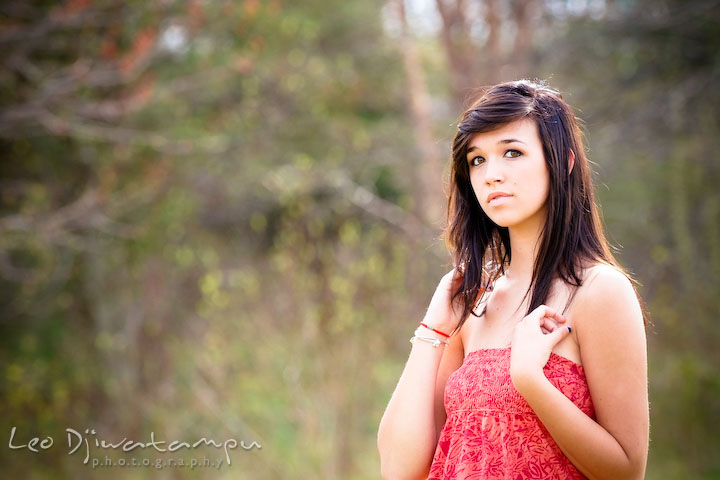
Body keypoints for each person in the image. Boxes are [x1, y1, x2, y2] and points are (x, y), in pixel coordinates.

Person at [377, 79, 649, 480]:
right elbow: (400, 470)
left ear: (565, 162)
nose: (492, 175)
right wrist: (433, 328)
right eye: (478, 160)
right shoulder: (474, 303)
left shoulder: (598, 292)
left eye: (512, 153)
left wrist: (530, 380)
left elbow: (626, 471)